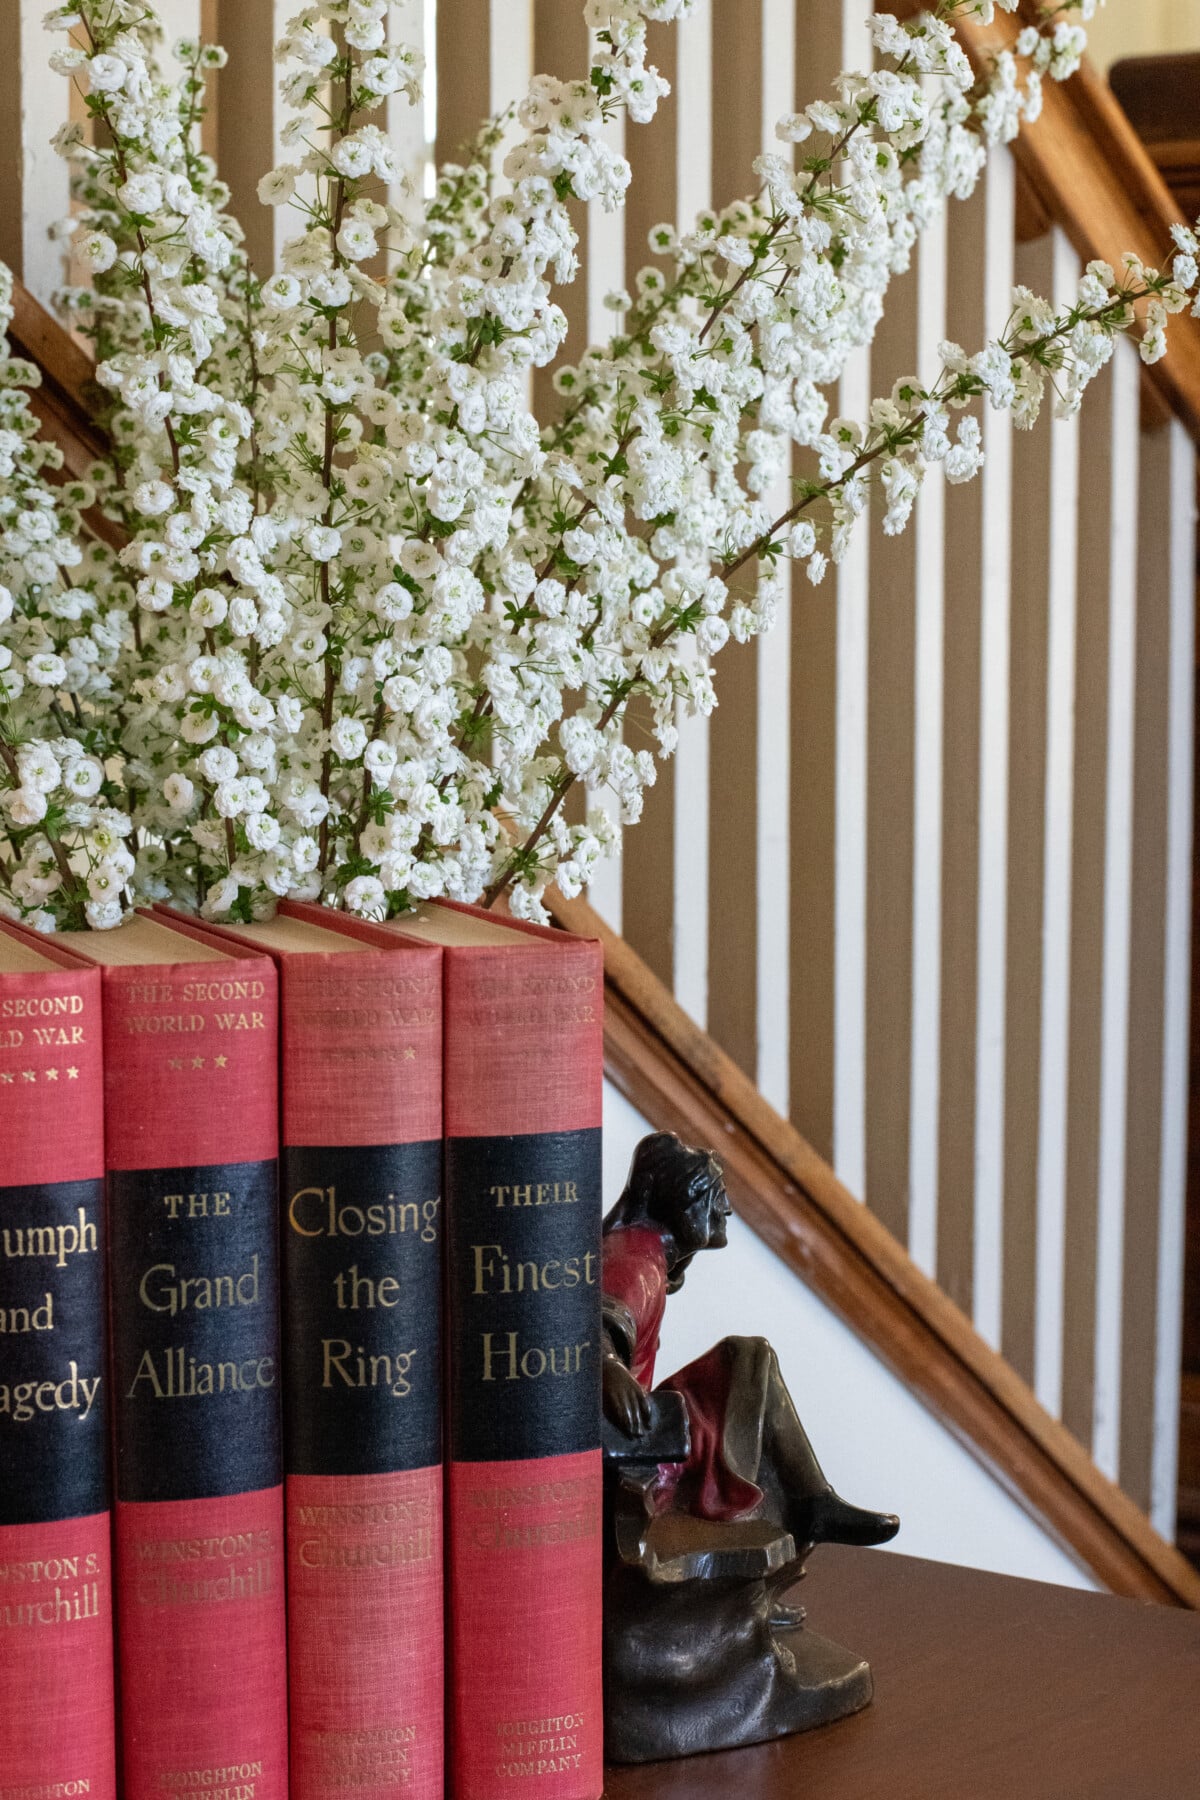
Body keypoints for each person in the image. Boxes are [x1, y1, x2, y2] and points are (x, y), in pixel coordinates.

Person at [601, 1131, 899, 1551]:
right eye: (717, 1195)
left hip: (636, 1432)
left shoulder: (646, 1256)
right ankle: (810, 1502)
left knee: (748, 1358)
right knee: (747, 1358)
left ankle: (812, 1502)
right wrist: (610, 1368)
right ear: (687, 1202)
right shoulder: (637, 1265)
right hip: (634, 1449)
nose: (727, 1208)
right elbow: (592, 1328)